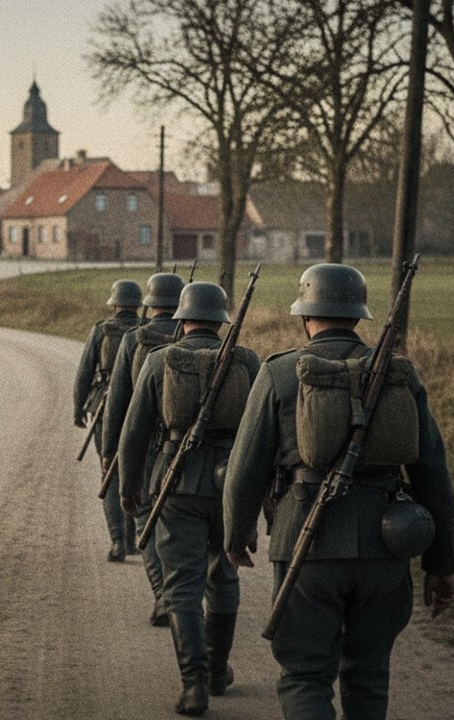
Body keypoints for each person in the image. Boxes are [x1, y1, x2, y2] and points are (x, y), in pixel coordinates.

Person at [223, 263, 454, 720]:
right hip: (387, 545)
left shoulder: (279, 373)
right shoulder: (399, 375)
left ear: (305, 316)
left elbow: (244, 468)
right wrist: (440, 563)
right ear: (358, 315)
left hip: (305, 548)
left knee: (305, 677)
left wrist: (236, 535)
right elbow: (433, 473)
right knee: (369, 676)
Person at [118, 282, 260, 716]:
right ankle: (218, 670)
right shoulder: (248, 361)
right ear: (221, 321)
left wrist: (129, 489)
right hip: (231, 485)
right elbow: (260, 436)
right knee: (224, 576)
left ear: (180, 319)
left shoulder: (160, 360)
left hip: (175, 485)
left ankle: (194, 684)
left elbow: (134, 432)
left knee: (182, 586)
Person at [101, 271, 185, 627]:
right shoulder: (203, 339)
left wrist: (110, 453)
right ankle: (190, 596)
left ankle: (164, 596)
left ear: (149, 304)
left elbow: (118, 404)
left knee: (146, 521)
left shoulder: (135, 340)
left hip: (148, 448)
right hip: (191, 452)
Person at [73, 278, 143, 562]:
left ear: (114, 304)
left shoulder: (101, 330)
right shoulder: (145, 332)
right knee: (135, 473)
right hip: (139, 409)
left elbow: (84, 372)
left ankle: (117, 541)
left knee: (110, 474)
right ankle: (130, 539)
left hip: (103, 408)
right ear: (138, 305)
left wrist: (78, 409)